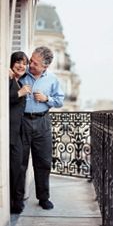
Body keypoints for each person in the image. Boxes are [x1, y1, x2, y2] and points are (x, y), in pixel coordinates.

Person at [16, 46, 64, 211]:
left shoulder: (52, 79)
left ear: (45, 66)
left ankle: (43, 198)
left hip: (42, 123)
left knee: (43, 162)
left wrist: (46, 98)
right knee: (20, 162)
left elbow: (59, 101)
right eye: (31, 60)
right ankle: (17, 200)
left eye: (35, 63)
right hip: (23, 122)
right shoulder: (22, 75)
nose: (30, 65)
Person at [9, 51, 31, 213]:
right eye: (18, 62)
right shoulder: (8, 80)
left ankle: (18, 202)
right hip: (10, 132)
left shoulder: (16, 79)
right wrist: (20, 93)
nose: (21, 66)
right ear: (11, 63)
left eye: (24, 63)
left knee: (20, 167)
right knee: (16, 167)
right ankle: (15, 202)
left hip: (20, 131)